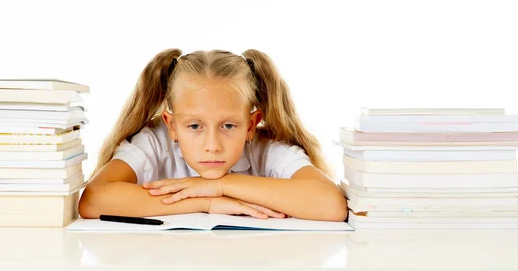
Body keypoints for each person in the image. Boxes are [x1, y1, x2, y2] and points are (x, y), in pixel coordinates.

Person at [78, 49, 347, 221]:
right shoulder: (154, 141)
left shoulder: (268, 149)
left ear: (252, 124)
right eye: (194, 126)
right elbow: (94, 200)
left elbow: (330, 204)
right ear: (171, 125)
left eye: (228, 126)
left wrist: (221, 185)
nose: (212, 146)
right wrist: (207, 202)